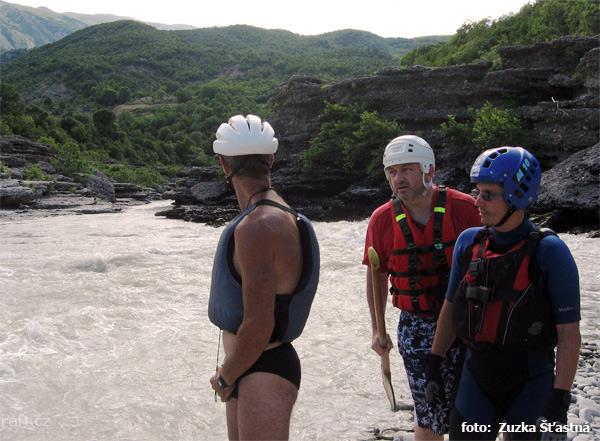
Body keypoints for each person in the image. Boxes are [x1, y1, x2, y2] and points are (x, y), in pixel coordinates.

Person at [426, 146, 581, 441]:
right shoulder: (468, 243)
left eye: (488, 194)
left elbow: (569, 333)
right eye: (477, 192)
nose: (477, 201)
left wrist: (559, 399)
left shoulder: (550, 252)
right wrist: (435, 361)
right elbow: (450, 306)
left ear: (517, 196)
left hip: (531, 381)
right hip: (476, 377)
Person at [208, 114, 320, 440]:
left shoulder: (257, 226)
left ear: (223, 164)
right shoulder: (278, 214)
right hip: (253, 363)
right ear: (271, 159)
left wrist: (226, 377)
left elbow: (259, 325)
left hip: (261, 365)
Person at [363, 135, 481, 440]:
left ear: (428, 169)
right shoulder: (381, 220)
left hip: (467, 322)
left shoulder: (466, 208)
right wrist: (377, 330)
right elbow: (376, 275)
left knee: (472, 410)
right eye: (392, 172)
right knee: (427, 412)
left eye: (407, 169)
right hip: (416, 326)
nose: (398, 178)